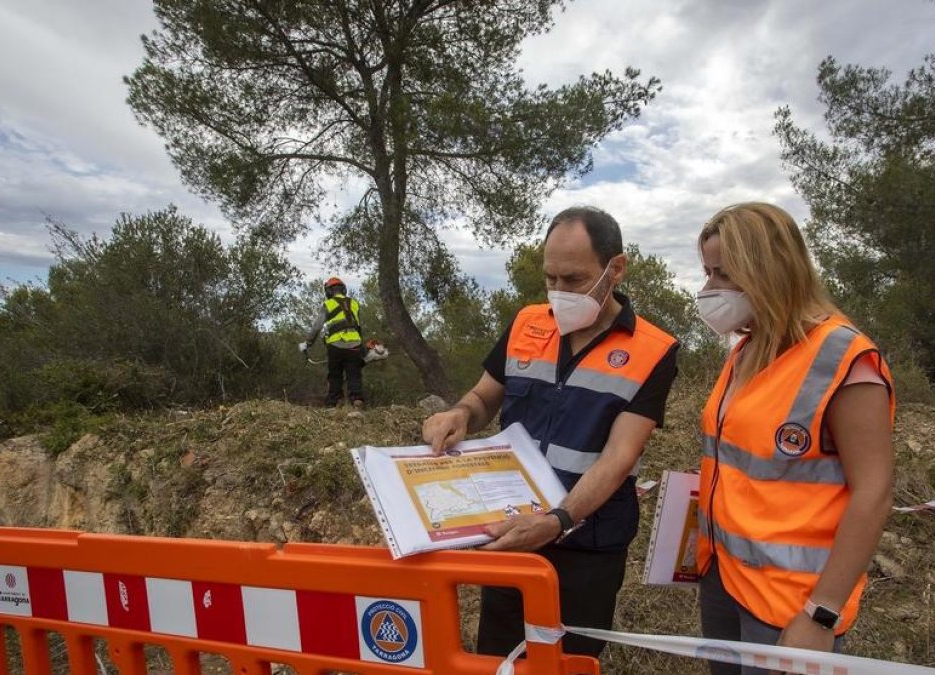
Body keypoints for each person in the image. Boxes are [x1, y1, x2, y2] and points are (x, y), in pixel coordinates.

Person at [422, 206, 679, 658]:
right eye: (551, 279)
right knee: (499, 660)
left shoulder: (653, 351)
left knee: (566, 662)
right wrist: (460, 413)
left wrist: (556, 522)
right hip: (511, 532)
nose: (560, 292)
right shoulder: (527, 323)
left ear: (615, 269)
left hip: (587, 545)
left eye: (575, 280)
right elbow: (484, 397)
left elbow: (619, 457)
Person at [693, 203, 895, 674]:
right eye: (707, 273)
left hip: (791, 603)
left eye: (723, 274)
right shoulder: (747, 350)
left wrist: (821, 615)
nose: (709, 290)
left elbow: (875, 493)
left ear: (768, 270)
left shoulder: (845, 359)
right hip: (725, 579)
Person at [307, 277, 366, 408]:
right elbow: (357, 324)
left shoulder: (328, 304)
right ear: (343, 289)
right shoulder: (354, 303)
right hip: (355, 344)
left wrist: (308, 343)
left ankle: (335, 401)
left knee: (335, 375)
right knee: (354, 374)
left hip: (335, 345)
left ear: (329, 291)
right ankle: (357, 400)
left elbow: (317, 326)